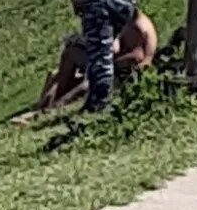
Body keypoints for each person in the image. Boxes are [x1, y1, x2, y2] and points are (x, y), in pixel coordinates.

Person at [10, 10, 158, 127]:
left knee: (86, 84)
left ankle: (44, 113)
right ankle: (43, 106)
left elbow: (140, 59)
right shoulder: (125, 21)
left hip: (122, 73)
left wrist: (112, 60)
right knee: (71, 53)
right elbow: (116, 46)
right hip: (110, 63)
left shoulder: (140, 27)